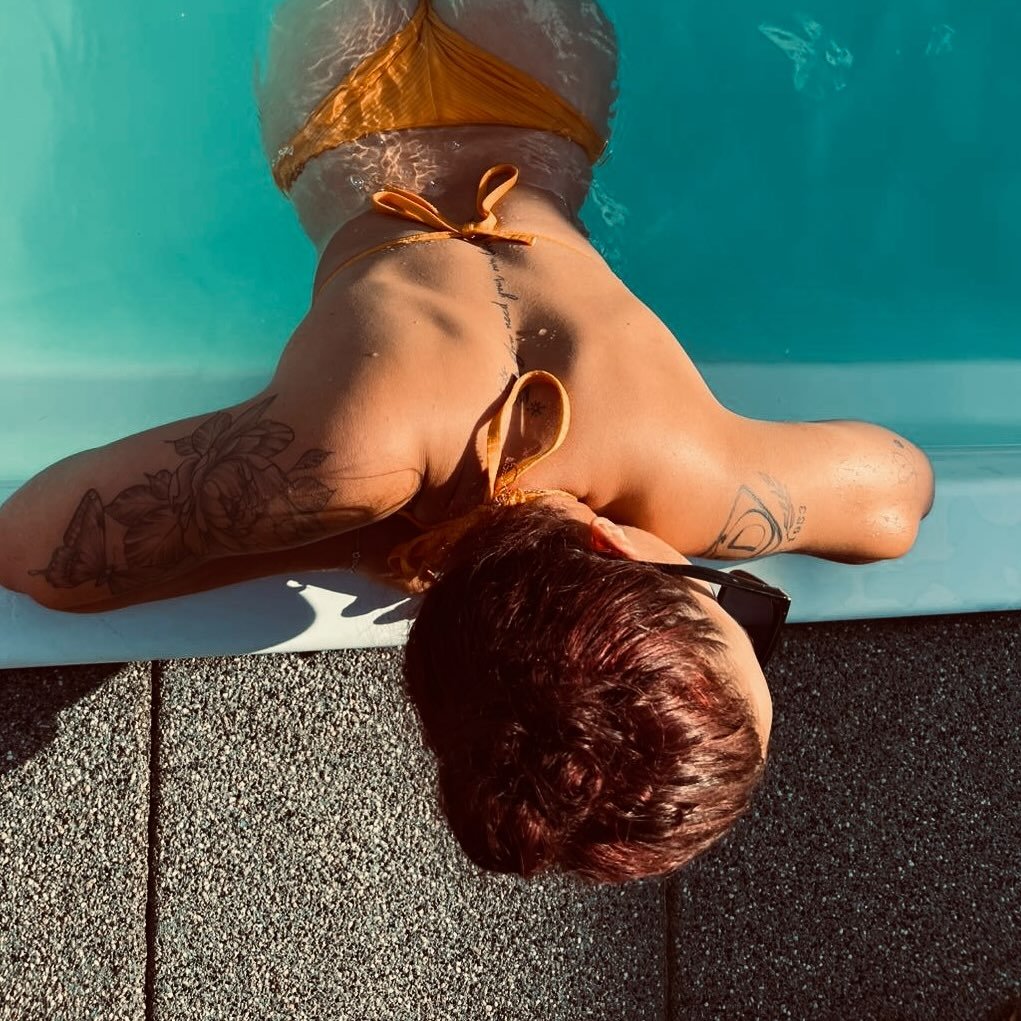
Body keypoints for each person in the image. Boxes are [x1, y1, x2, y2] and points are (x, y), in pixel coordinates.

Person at [0, 0, 934, 882]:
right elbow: (40, 555)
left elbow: (896, 497)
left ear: (614, 547)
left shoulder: (696, 472)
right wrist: (366, 539)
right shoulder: (343, 466)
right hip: (341, 116)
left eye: (731, 607)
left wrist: (692, 526)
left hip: (536, 90)